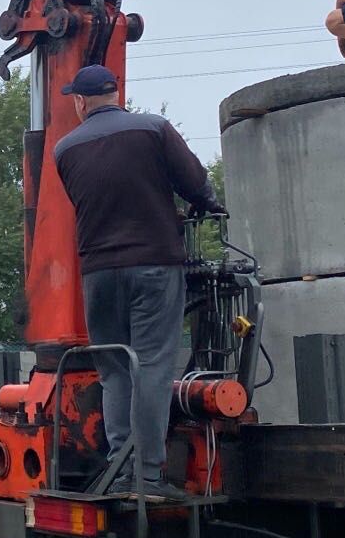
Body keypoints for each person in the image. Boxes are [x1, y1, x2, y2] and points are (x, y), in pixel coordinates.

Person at [53, 65, 221, 494]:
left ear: (80, 102)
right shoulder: (154, 129)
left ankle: (119, 472)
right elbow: (196, 183)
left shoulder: (64, 150)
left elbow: (104, 198)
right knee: (150, 367)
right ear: (116, 94)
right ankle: (147, 476)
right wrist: (208, 204)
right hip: (154, 266)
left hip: (99, 275)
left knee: (114, 371)